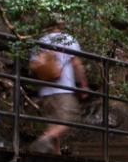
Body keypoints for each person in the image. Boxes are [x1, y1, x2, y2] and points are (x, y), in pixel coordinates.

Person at [28, 19, 87, 154]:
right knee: (71, 118)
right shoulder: (68, 40)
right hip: (63, 88)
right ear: (62, 25)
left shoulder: (41, 41)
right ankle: (45, 138)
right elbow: (77, 64)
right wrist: (83, 85)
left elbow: (33, 66)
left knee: (53, 122)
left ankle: (56, 153)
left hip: (45, 90)